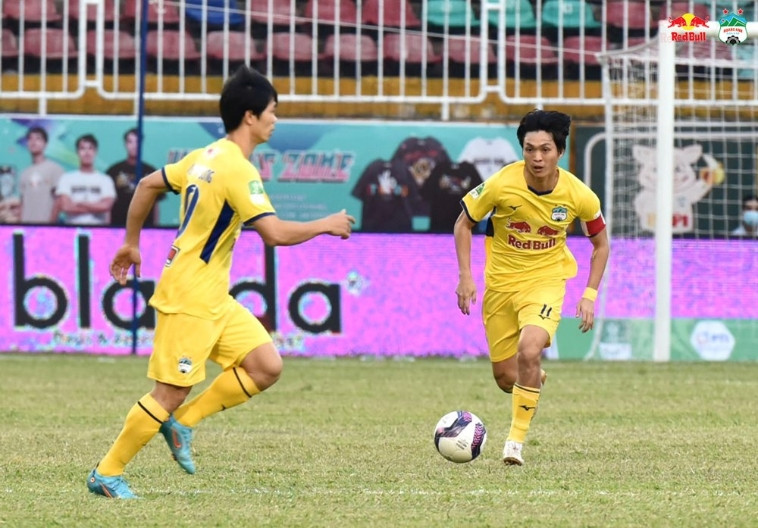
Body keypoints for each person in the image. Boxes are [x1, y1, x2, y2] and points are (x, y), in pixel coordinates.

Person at [87, 66, 355, 499]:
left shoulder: (204, 156)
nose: (275, 119)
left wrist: (131, 242)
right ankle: (107, 472)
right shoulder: (236, 169)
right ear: (250, 116)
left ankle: (183, 424)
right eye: (272, 110)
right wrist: (326, 223)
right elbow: (273, 234)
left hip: (211, 294)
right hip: (190, 297)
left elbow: (147, 184)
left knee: (266, 366)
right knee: (169, 392)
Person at [453, 110, 609, 466]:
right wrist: (466, 275)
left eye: (545, 149)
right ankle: (533, 378)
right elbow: (463, 224)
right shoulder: (500, 184)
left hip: (545, 283)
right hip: (500, 286)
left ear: (560, 152)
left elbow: (601, 245)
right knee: (506, 378)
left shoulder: (580, 195)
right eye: (529, 149)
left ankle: (514, 443)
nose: (537, 157)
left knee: (529, 348)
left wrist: (589, 295)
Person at [54, 134, 116, 225]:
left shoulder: (105, 180)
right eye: (82, 148)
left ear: (95, 152)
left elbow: (106, 206)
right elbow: (66, 207)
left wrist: (82, 204)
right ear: (77, 152)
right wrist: (96, 207)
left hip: (98, 230)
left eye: (90, 148)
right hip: (73, 230)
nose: (87, 152)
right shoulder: (66, 178)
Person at [106, 127, 160, 227]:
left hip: (145, 226)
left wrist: (155, 228)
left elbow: (156, 203)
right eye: (130, 142)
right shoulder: (113, 171)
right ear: (125, 144)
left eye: (137, 141)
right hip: (118, 225)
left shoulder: (151, 171)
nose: (134, 146)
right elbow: (108, 202)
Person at [18, 126, 65, 224]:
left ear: (45, 144)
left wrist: (51, 223)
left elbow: (59, 200)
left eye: (38, 138)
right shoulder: (24, 173)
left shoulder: (55, 168)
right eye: (30, 139)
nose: (33, 142)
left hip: (46, 226)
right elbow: (22, 202)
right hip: (26, 226)